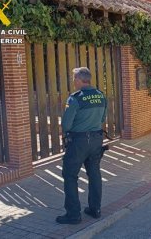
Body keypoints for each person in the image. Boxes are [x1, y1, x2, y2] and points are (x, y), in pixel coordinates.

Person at [56, 67, 107, 225]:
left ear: (79, 80)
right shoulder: (100, 95)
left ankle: (73, 215)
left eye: (74, 78)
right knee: (94, 174)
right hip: (97, 140)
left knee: (70, 175)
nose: (73, 81)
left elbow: (66, 124)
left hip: (79, 142)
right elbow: (103, 117)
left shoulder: (75, 98)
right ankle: (95, 209)